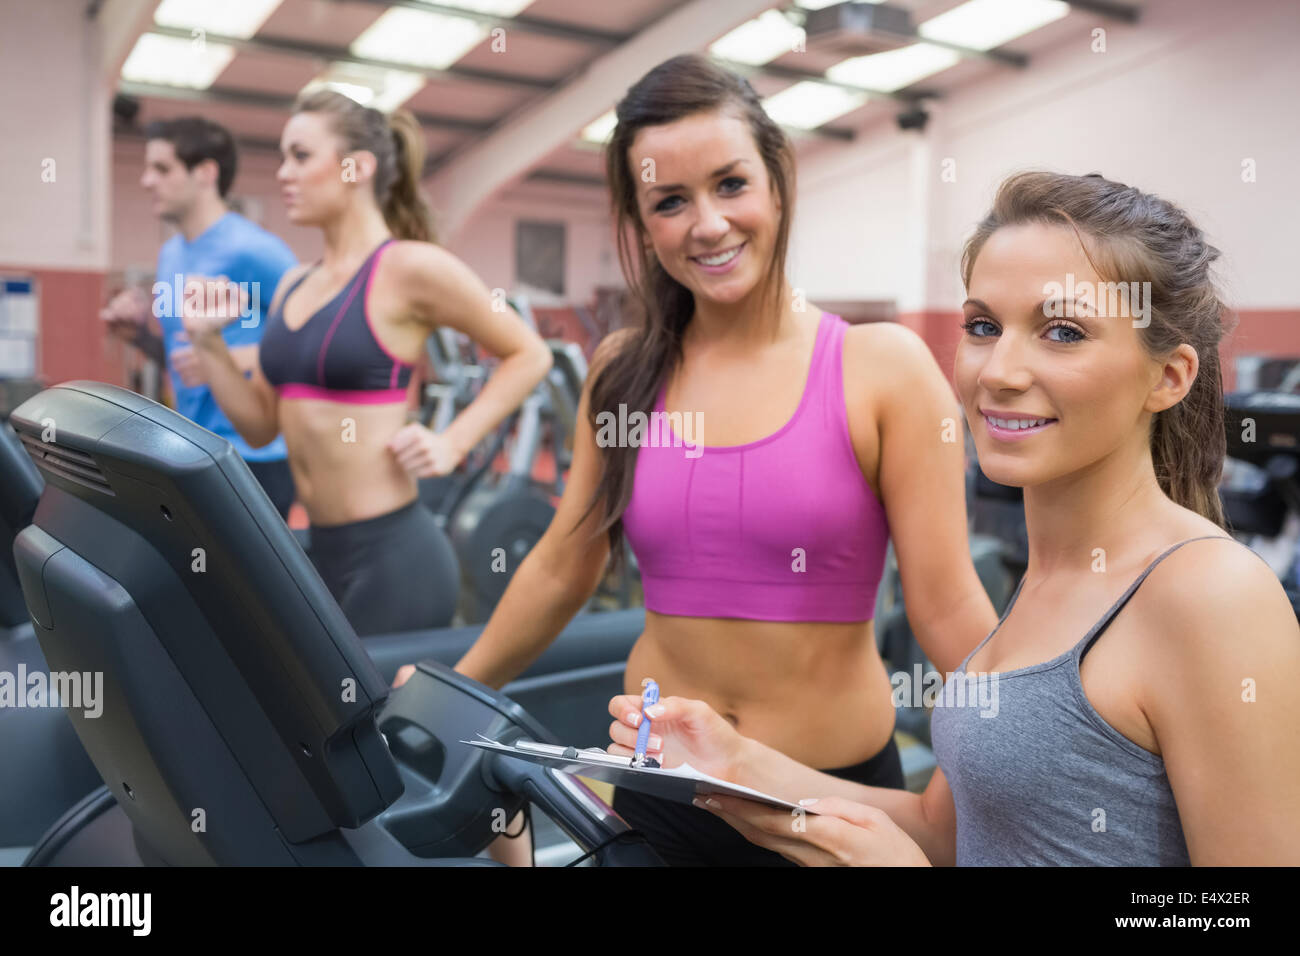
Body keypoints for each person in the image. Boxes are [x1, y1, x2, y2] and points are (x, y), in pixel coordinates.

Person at [395, 54, 999, 866]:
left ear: (778, 184)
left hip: (824, 800)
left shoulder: (881, 366)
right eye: (669, 202)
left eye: (730, 185)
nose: (706, 224)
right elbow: (562, 566)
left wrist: (1027, 743)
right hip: (658, 789)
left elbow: (948, 605)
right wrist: (454, 691)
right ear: (642, 223)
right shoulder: (621, 371)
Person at [607, 171, 1300, 866]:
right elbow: (949, 833)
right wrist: (735, 763)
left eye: (1062, 332)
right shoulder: (1044, 584)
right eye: (982, 326)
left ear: (1168, 377)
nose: (998, 370)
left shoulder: (1210, 595)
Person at [178, 89, 552, 639]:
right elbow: (259, 429)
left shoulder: (408, 268)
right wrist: (208, 344)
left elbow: (530, 353)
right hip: (321, 554)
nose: (284, 173)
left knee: (375, 725)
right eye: (284, 157)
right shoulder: (292, 284)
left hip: (395, 559)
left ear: (358, 167)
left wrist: (454, 441)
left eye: (301, 156)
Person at [102, 117, 298, 518]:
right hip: (194, 449)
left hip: (255, 458)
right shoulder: (171, 254)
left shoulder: (255, 250)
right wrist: (139, 337)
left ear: (205, 173)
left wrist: (230, 361)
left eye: (161, 168)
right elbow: (182, 363)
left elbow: (315, 339)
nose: (145, 180)